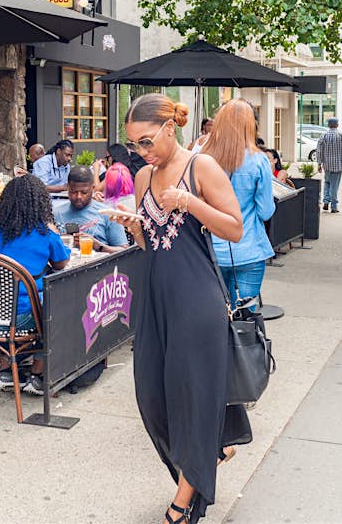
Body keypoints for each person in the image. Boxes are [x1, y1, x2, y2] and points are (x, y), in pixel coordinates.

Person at [110, 93, 250, 524]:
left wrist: (190, 202)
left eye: (146, 141)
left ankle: (186, 494)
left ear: (170, 128)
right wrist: (134, 227)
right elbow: (149, 243)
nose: (141, 151)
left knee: (190, 396)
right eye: (134, 144)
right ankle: (207, 452)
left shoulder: (200, 166)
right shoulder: (142, 178)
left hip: (195, 300)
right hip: (155, 298)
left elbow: (236, 229)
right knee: (152, 395)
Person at [0, 175, 70, 395]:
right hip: (23, 316)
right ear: (40, 202)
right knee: (58, 308)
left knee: (7, 297)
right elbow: (61, 263)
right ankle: (37, 374)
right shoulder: (44, 232)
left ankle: (6, 370)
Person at [203, 99, 276, 309]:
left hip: (209, 250)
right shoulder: (258, 160)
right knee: (245, 319)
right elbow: (265, 211)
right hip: (247, 248)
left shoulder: (202, 158)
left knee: (213, 318)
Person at [52, 166, 128, 253]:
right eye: (73, 192)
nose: (78, 197)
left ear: (93, 188)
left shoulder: (108, 213)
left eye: (84, 192)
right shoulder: (55, 213)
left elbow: (123, 251)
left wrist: (97, 246)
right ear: (68, 188)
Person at [316, 117, 342, 213]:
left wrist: (319, 163)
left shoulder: (323, 136)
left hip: (327, 165)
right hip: (338, 165)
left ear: (328, 125)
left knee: (327, 183)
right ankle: (334, 206)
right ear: (337, 125)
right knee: (334, 185)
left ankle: (326, 201)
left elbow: (319, 151)